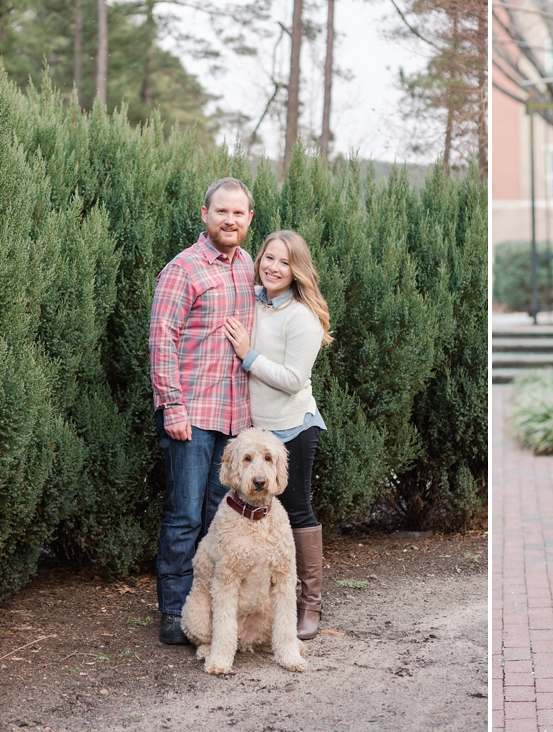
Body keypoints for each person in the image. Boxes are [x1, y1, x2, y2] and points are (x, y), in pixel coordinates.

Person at [149, 177, 256, 645]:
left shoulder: (250, 264)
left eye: (239, 213)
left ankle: (212, 611)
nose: (230, 220)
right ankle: (174, 615)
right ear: (204, 214)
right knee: (184, 517)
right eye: (222, 212)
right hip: (191, 417)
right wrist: (172, 405)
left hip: (235, 419)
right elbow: (161, 340)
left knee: (220, 519)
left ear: (249, 219)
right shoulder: (183, 270)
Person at [223, 230, 333, 640]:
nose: (273, 267)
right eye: (268, 258)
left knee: (297, 510)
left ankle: (310, 605)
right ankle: (261, 604)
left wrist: (248, 355)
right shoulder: (251, 298)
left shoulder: (301, 316)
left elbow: (292, 379)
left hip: (293, 429)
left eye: (284, 262)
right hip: (256, 433)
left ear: (297, 270)